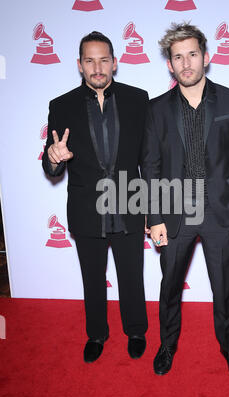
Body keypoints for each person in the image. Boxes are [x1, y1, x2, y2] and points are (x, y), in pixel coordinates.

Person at [141, 23, 229, 380]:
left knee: (223, 288)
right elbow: (151, 166)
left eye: (192, 54)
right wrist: (154, 216)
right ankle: (167, 345)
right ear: (169, 65)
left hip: (220, 212)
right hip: (175, 214)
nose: (186, 63)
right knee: (170, 286)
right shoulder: (156, 109)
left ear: (206, 57)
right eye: (178, 57)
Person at [42, 31, 148, 363]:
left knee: (132, 274)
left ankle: (136, 330)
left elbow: (150, 158)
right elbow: (52, 162)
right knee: (92, 276)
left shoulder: (138, 99)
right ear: (79, 65)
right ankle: (97, 334)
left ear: (115, 63)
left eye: (103, 60)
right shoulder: (61, 105)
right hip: (87, 208)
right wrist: (54, 158)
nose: (97, 67)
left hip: (130, 204)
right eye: (90, 60)